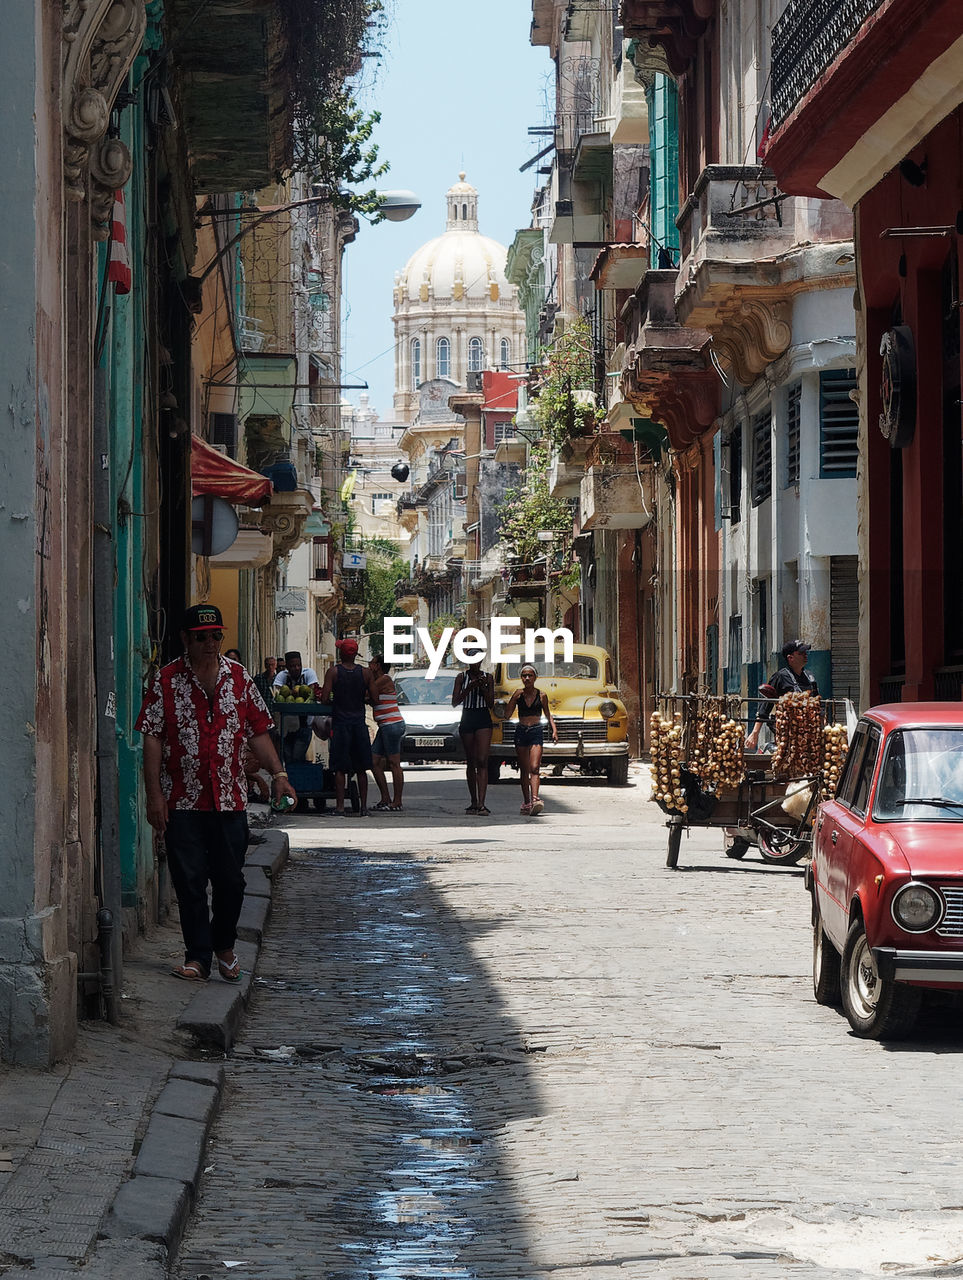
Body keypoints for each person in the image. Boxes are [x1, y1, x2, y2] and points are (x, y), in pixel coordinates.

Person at [135, 603, 296, 983]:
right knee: (189, 881)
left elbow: (258, 730)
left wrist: (278, 773)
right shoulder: (166, 680)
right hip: (183, 799)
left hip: (229, 799)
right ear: (186, 639)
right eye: (201, 637)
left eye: (215, 636)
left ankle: (224, 944)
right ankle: (198, 956)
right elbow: (152, 739)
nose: (210, 643)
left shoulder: (239, 679)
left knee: (231, 882)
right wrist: (154, 795)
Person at [319, 638, 373, 816]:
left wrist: (337, 700)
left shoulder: (333, 672)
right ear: (355, 655)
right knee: (362, 768)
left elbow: (325, 698)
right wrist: (361, 698)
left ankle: (340, 807)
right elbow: (375, 698)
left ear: (341, 654)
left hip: (341, 724)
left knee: (340, 768)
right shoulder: (365, 673)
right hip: (358, 724)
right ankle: (364, 807)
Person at [745, 639, 819, 751]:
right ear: (790, 658)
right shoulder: (780, 677)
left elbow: (818, 704)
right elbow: (765, 706)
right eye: (801, 653)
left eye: (805, 652)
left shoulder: (810, 677)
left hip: (808, 731)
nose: (805, 655)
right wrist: (755, 733)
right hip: (787, 730)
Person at [505, 663, 557, 816]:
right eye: (524, 676)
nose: (527, 678)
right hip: (521, 731)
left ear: (535, 678)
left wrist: (554, 729)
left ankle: (535, 799)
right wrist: (513, 698)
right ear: (521, 678)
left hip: (536, 731)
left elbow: (547, 713)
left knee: (535, 767)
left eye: (530, 675)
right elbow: (507, 715)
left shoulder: (542, 695)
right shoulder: (518, 694)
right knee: (524, 769)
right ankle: (526, 801)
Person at [452, 656, 495, 815]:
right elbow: (455, 701)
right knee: (471, 760)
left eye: (478, 661)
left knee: (483, 760)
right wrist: (469, 688)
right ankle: (474, 801)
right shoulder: (461, 677)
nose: (475, 664)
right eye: (472, 661)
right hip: (468, 716)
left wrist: (483, 688)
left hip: (483, 717)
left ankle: (482, 803)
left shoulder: (488, 677)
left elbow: (491, 703)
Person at [368, 653, 406, 811]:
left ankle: (397, 801)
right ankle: (385, 797)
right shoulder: (377, 680)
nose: (370, 664)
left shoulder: (384, 679)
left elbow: (368, 693)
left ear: (378, 666)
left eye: (372, 662)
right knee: (373, 761)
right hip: (385, 726)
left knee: (394, 763)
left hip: (392, 724)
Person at [272, 650, 322, 763]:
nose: (296, 668)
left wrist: (293, 693)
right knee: (287, 758)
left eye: (298, 665)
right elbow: (277, 692)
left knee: (297, 757)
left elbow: (312, 691)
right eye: (292, 666)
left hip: (305, 726)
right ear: (287, 667)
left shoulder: (309, 673)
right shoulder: (282, 676)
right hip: (286, 727)